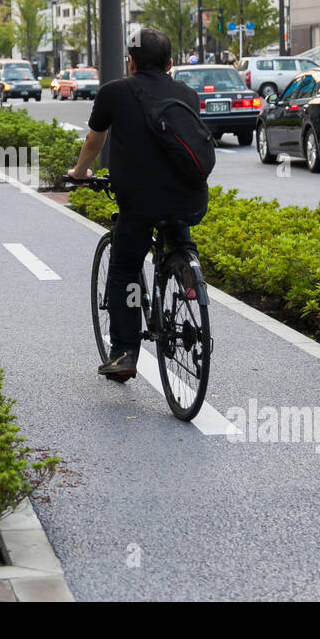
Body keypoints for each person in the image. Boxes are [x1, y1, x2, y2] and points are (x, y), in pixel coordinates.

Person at [67, 28, 205, 382]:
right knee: (177, 230)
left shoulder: (114, 93)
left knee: (126, 268)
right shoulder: (187, 94)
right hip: (188, 197)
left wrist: (80, 173)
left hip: (139, 201)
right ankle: (187, 271)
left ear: (130, 62)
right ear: (171, 63)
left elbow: (94, 141)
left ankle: (125, 351)